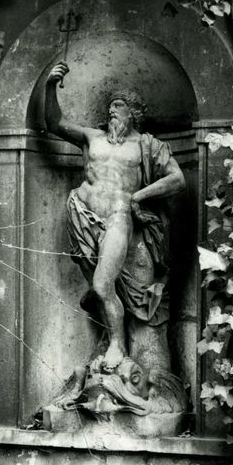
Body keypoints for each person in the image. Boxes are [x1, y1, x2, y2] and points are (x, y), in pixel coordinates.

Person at [45, 61, 185, 371]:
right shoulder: (91, 137)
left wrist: (139, 196)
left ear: (133, 114)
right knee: (100, 289)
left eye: (118, 107)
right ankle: (110, 342)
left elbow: (177, 180)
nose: (111, 112)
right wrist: (49, 86)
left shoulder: (146, 146)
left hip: (119, 217)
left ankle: (119, 347)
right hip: (82, 216)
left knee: (101, 285)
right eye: (110, 107)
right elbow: (54, 123)